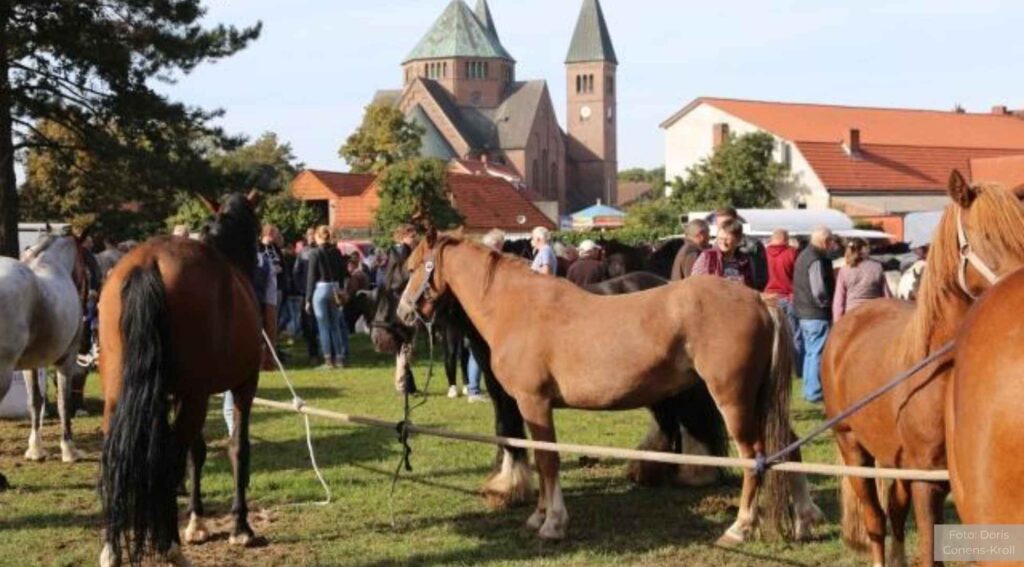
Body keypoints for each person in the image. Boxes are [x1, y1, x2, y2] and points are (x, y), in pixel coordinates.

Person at [793, 227, 836, 403]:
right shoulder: (815, 259)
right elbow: (818, 289)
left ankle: (809, 389)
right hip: (815, 313)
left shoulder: (804, 255)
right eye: (831, 241)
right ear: (825, 241)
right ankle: (814, 392)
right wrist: (825, 304)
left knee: (810, 352)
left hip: (803, 311)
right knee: (816, 352)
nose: (832, 245)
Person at [305, 225, 350, 369]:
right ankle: (340, 358)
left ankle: (328, 360)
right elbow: (343, 273)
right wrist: (341, 289)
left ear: (318, 236)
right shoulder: (336, 251)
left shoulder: (314, 253)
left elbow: (311, 277)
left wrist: (308, 298)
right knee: (335, 325)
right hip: (335, 288)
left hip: (321, 288)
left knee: (323, 326)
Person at [764, 229, 802, 369]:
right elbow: (798, 276)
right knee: (794, 334)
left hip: (769, 297)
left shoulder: (764, 253)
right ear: (786, 239)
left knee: (772, 335)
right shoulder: (792, 253)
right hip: (789, 297)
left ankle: (774, 366)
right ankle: (796, 367)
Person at [833, 238, 890, 321]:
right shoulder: (877, 267)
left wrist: (837, 321)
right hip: (874, 314)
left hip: (851, 314)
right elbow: (887, 296)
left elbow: (839, 300)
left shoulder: (844, 270)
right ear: (864, 250)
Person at [712, 207, 769, 291]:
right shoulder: (714, 247)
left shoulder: (753, 245)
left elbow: (761, 276)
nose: (724, 228)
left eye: (727, 224)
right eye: (720, 225)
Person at [691, 219, 754, 287]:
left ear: (738, 240)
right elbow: (695, 283)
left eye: (727, 239)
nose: (723, 243)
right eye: (720, 239)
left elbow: (750, 286)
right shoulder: (708, 257)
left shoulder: (744, 260)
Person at [258, 225, 284, 370]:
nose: (275, 237)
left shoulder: (274, 248)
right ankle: (263, 357)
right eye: (273, 233)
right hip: (262, 291)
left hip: (274, 290)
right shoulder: (259, 248)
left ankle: (269, 358)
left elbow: (281, 265)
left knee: (271, 325)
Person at [294, 230, 320, 364]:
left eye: (312, 235)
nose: (311, 238)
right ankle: (313, 353)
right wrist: (301, 288)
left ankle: (320, 352)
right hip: (307, 291)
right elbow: (296, 272)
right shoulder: (303, 253)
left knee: (316, 324)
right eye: (309, 235)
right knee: (309, 325)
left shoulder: (318, 251)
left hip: (316, 289)